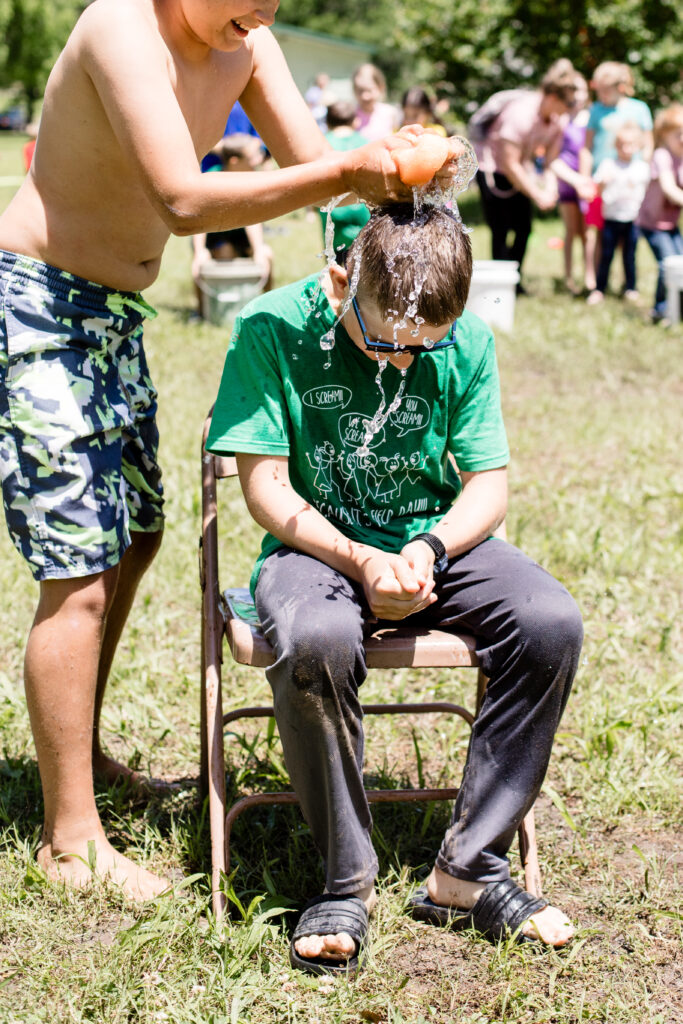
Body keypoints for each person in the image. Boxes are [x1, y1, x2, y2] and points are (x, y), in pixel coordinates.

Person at [0, 0, 445, 902]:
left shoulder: (248, 43)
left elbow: (315, 170)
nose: (262, 10)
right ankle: (68, 837)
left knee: (137, 537)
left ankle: (75, 756)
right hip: (37, 306)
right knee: (80, 571)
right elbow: (183, 199)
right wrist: (346, 170)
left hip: (116, 313)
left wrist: (379, 186)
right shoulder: (118, 28)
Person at [206, 203, 583, 974]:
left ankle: (467, 871)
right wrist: (358, 559)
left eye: (426, 347)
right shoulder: (272, 328)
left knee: (550, 622)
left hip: (426, 539)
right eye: (384, 340)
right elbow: (266, 489)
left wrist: (425, 545)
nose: (403, 361)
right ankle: (345, 881)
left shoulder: (465, 338)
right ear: (341, 278)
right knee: (315, 638)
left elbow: (485, 485)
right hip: (310, 546)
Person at [473, 59, 578, 290]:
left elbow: (549, 160)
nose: (568, 109)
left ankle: (515, 281)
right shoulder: (520, 114)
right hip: (494, 170)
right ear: (552, 98)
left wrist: (549, 189)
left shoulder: (558, 119)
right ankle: (499, 286)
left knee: (524, 229)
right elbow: (509, 164)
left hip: (521, 170)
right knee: (500, 230)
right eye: (566, 103)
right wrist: (536, 195)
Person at [579, 62, 653, 290]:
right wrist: (585, 179)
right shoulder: (595, 110)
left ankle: (627, 282)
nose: (600, 95)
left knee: (628, 238)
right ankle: (595, 281)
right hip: (602, 182)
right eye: (597, 90)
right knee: (597, 234)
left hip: (629, 185)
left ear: (620, 87)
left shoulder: (639, 109)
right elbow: (587, 147)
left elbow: (648, 145)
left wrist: (640, 173)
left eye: (604, 90)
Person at [192, 134, 274, 315]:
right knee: (219, 255)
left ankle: (267, 309)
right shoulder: (212, 180)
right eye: (253, 156)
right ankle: (203, 311)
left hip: (242, 232)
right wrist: (199, 252)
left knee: (267, 255)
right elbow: (200, 219)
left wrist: (258, 248)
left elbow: (252, 219)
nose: (259, 160)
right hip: (215, 233)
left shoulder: (251, 179)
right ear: (235, 161)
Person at [587, 123, 650, 306]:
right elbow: (597, 188)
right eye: (622, 144)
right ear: (616, 145)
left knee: (630, 255)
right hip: (611, 217)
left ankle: (630, 287)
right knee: (606, 255)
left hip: (632, 218)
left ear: (637, 146)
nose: (626, 149)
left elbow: (645, 191)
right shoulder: (608, 165)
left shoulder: (641, 168)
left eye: (631, 145)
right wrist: (603, 184)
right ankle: (600, 288)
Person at [549, 75, 597, 293]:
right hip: (568, 182)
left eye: (581, 90)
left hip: (589, 182)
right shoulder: (562, 120)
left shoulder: (591, 117)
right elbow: (553, 155)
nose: (577, 96)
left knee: (589, 231)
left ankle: (591, 276)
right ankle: (568, 277)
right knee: (571, 230)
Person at [637, 104, 683, 325]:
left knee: (680, 263)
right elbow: (668, 187)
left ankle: (677, 307)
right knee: (668, 264)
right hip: (652, 223)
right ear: (664, 135)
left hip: (671, 224)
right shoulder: (661, 155)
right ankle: (660, 309)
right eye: (678, 134)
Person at [318, 101, 371, 257]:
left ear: (327, 122)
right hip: (362, 210)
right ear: (355, 120)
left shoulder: (322, 145)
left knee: (335, 265)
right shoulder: (366, 144)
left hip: (332, 212)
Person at [353, 64, 400, 142]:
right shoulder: (349, 115)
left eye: (369, 90)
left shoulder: (391, 113)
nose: (365, 96)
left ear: (380, 87)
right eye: (360, 90)